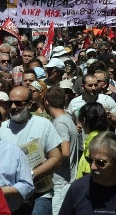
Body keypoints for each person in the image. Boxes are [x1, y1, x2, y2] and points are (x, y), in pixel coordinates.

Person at [0, 86, 62, 215]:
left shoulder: (44, 124)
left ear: (29, 104)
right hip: (9, 197)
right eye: (10, 103)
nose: (13, 107)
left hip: (39, 195)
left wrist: (30, 175)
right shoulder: (1, 129)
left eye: (18, 103)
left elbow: (56, 159)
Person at [44, 87, 78, 215]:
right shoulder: (67, 120)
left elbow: (65, 152)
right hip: (65, 181)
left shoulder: (60, 123)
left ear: (46, 102)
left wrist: (46, 162)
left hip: (61, 183)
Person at [76, 102, 109, 178]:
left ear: (84, 120)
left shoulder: (93, 142)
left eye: (80, 120)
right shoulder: (105, 137)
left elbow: (89, 169)